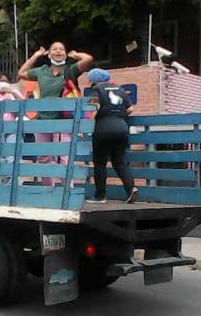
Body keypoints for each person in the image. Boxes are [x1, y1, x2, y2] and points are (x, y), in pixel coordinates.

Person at [18, 42, 93, 186]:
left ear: (65, 53)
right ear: (49, 53)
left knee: (64, 157)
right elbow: (21, 73)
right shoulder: (41, 71)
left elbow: (88, 59)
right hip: (42, 121)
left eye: (61, 49)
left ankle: (67, 190)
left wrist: (76, 55)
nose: (58, 51)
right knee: (43, 157)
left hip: (63, 120)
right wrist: (35, 56)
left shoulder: (70, 70)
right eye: (55, 49)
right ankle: (49, 190)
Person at [85, 68, 138, 204]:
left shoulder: (96, 90)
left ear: (92, 80)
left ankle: (100, 196)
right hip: (122, 128)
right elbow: (130, 108)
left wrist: (85, 125)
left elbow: (94, 109)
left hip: (103, 129)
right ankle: (131, 188)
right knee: (119, 162)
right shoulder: (119, 90)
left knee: (100, 164)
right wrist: (119, 116)